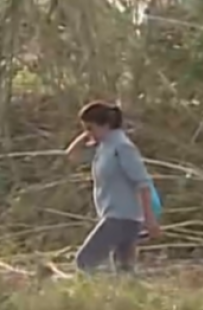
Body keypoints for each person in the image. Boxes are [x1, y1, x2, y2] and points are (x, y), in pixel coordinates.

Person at [63, 101, 161, 273]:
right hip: (117, 216)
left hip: (121, 217)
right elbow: (72, 155)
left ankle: (90, 289)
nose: (88, 133)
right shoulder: (105, 146)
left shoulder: (122, 147)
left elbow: (143, 183)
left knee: (85, 261)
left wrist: (150, 219)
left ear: (106, 125)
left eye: (91, 128)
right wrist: (87, 135)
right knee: (124, 269)